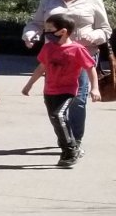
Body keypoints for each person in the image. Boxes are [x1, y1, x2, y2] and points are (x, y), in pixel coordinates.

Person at [22, 0, 110, 151]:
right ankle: (65, 137)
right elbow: (35, 24)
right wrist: (29, 34)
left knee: (77, 100)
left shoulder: (93, 1)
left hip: (82, 56)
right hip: (55, 59)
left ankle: (74, 142)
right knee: (55, 102)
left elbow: (105, 30)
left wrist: (94, 36)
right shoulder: (48, 2)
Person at [21, 9, 96, 169]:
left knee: (58, 116)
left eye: (49, 30)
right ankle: (67, 149)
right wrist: (29, 84)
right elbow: (41, 67)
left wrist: (94, 88)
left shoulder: (77, 49)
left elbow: (90, 68)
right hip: (50, 91)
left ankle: (71, 150)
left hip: (67, 90)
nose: (46, 33)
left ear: (63, 31)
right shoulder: (48, 48)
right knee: (57, 121)